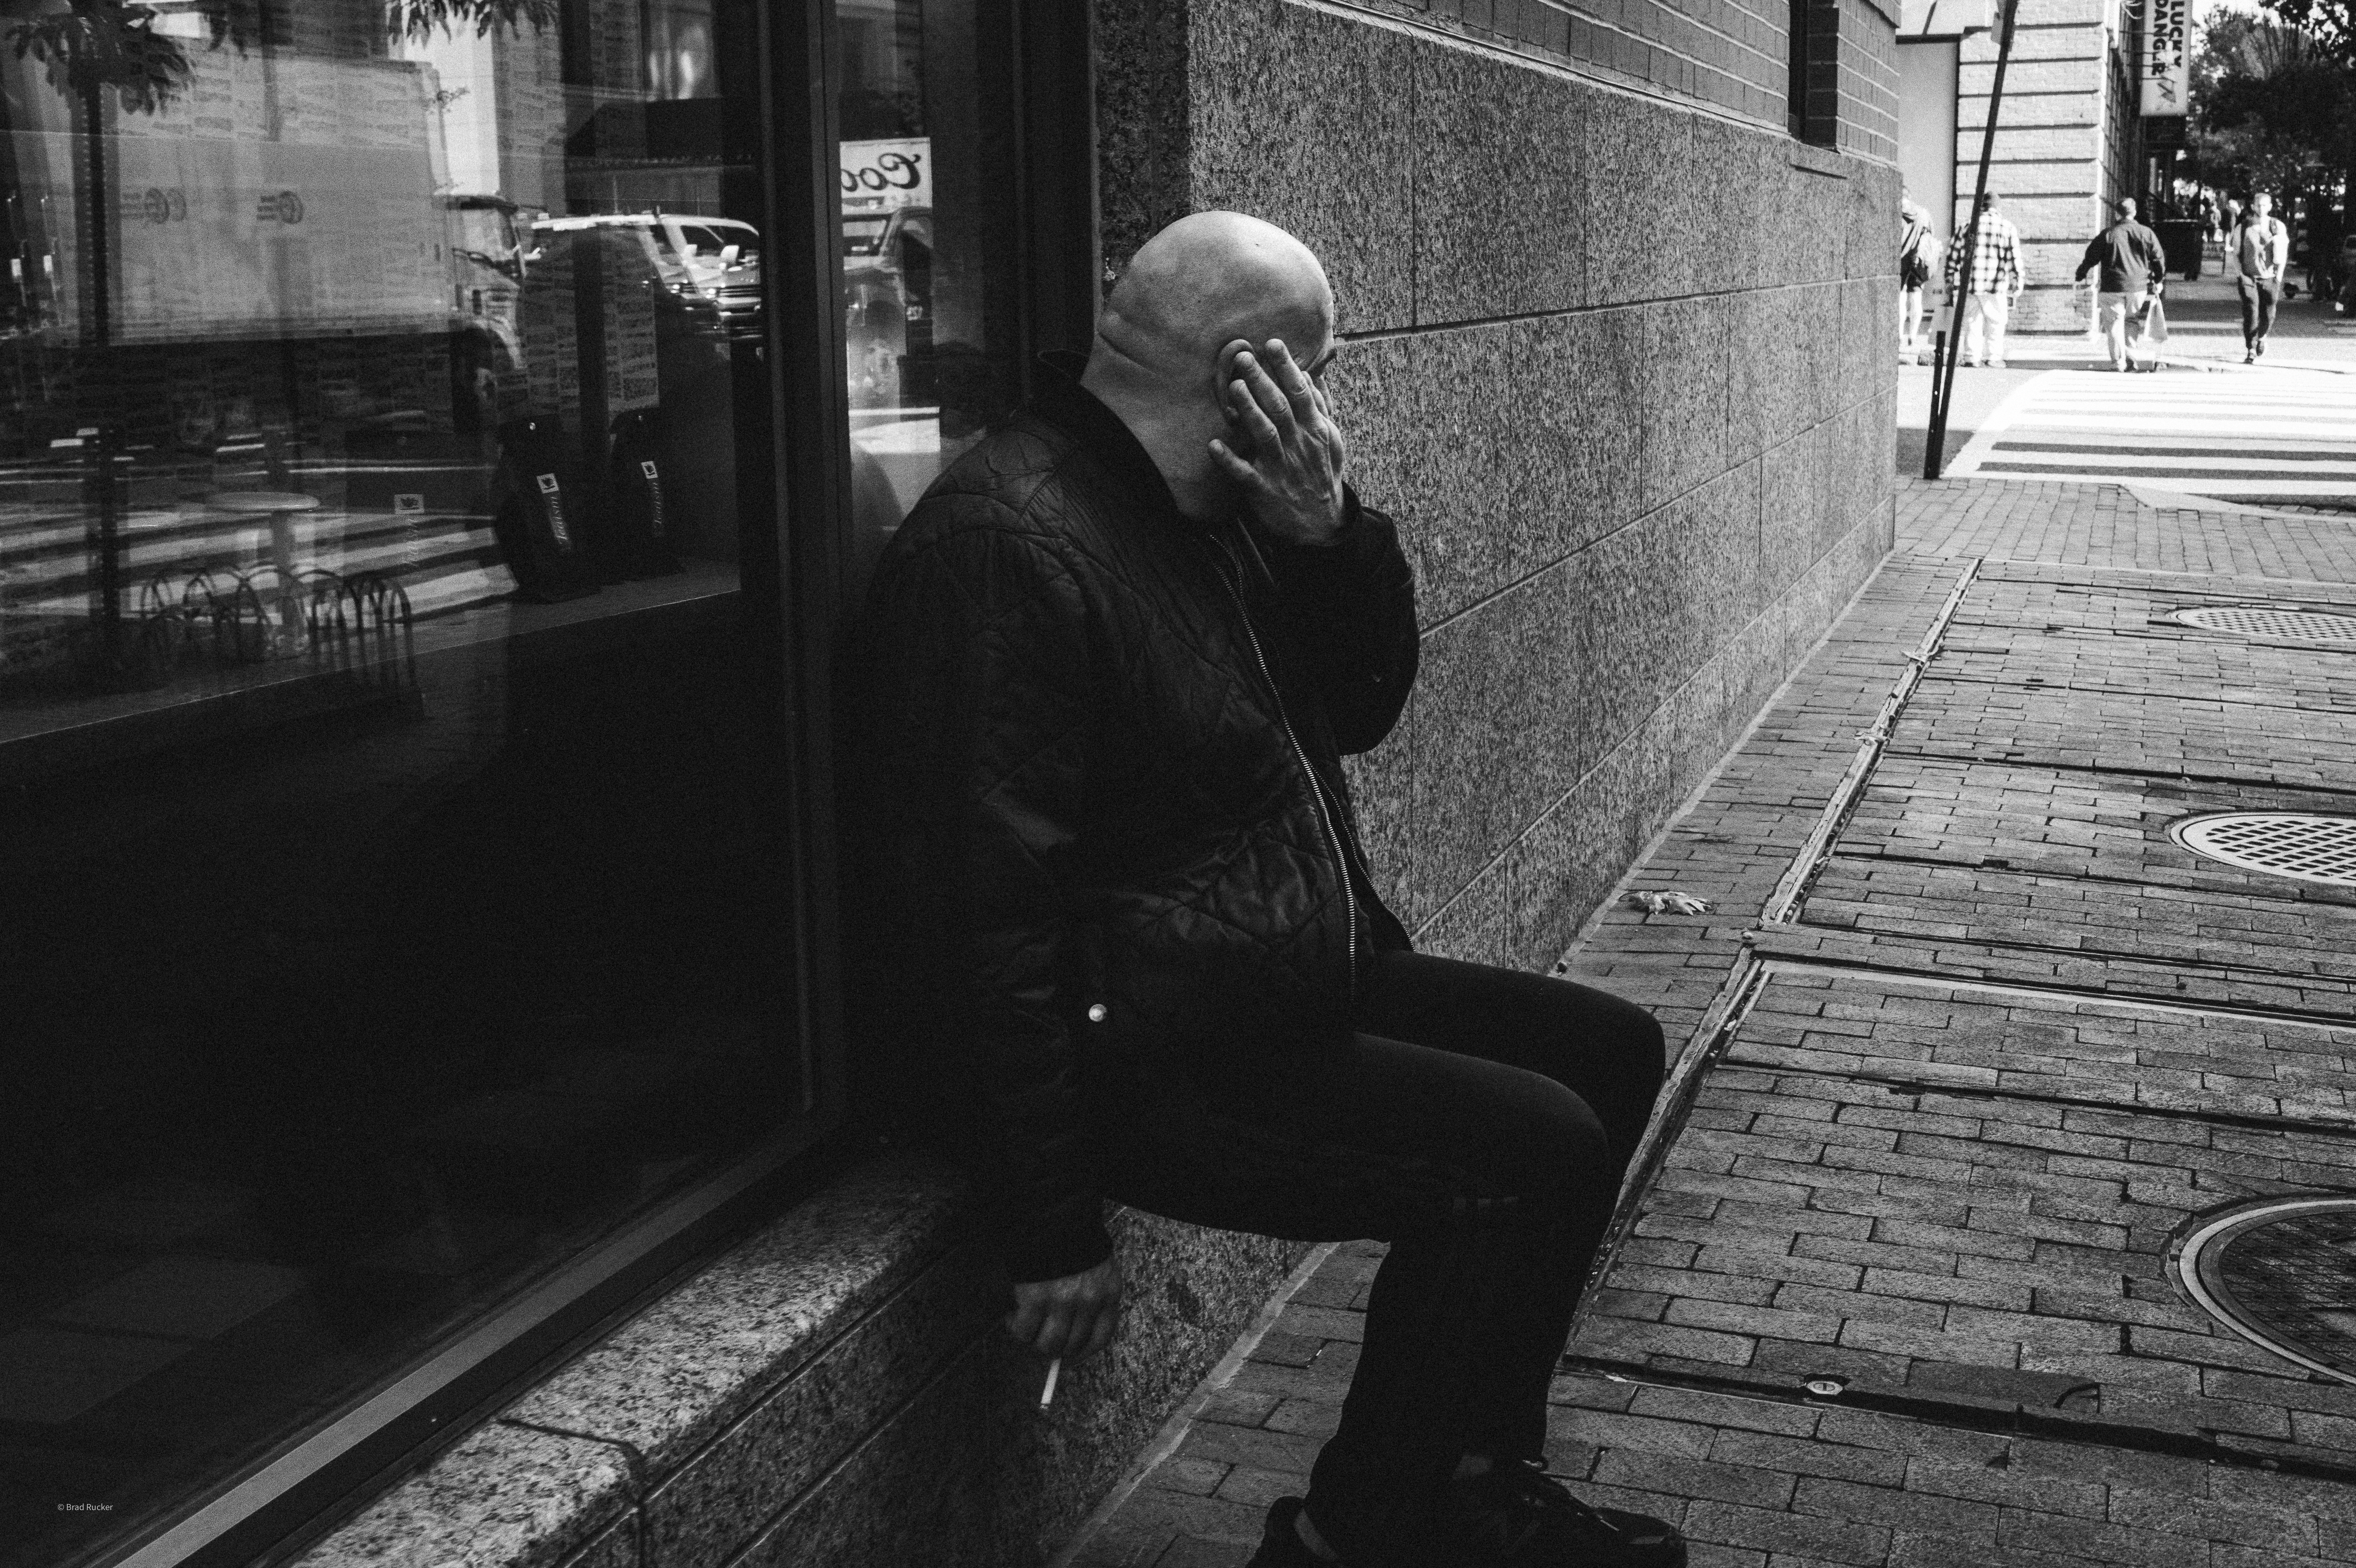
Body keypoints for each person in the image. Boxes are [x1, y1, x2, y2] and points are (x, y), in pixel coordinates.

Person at [837, 211, 1684, 1568]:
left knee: (1612, 1052)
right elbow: (979, 920)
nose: (1327, 397)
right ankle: (1355, 1532)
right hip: (1154, 1052)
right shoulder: (1010, 546)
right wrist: (1049, 1218)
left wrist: (1327, 534)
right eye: (1323, 365)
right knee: (1524, 1154)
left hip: (1264, 979)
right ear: (1251, 371)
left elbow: (1359, 705)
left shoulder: (1220, 502)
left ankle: (1471, 1478)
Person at [2074, 196, 2168, 372]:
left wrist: (2081, 274)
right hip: (2138, 288)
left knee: (2114, 324)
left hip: (2112, 287)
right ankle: (2131, 357)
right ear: (2135, 213)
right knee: (2131, 320)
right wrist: (2158, 280)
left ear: (2117, 214)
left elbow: (2091, 257)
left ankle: (2119, 362)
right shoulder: (2146, 233)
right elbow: (2159, 258)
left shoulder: (2108, 235)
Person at [1944, 191, 2025, 368]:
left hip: (1971, 285)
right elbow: (2014, 259)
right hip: (1996, 286)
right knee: (1996, 322)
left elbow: (1953, 256)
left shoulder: (1966, 227)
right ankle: (1993, 357)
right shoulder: (2007, 228)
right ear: (1998, 208)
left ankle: (1972, 357)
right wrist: (2017, 281)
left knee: (1973, 321)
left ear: (1982, 207)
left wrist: (1950, 279)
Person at [2232, 192, 2291, 362]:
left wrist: (2279, 277)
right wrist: (2240, 275)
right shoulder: (2243, 227)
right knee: (2251, 311)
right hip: (2249, 277)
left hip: (2270, 277)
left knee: (2269, 313)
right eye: (2258, 205)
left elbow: (2283, 253)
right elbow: (2236, 253)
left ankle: (2262, 337)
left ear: (2271, 207)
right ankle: (2251, 349)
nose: (2261, 208)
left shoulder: (2278, 226)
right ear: (2253, 207)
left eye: (2265, 205)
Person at [1898, 197, 1938, 365]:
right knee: (1916, 298)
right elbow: (1932, 236)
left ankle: (1899, 335)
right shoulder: (1924, 213)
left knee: (1900, 298)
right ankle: (1913, 336)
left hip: (1901, 259)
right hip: (1920, 259)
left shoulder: (1898, 213)